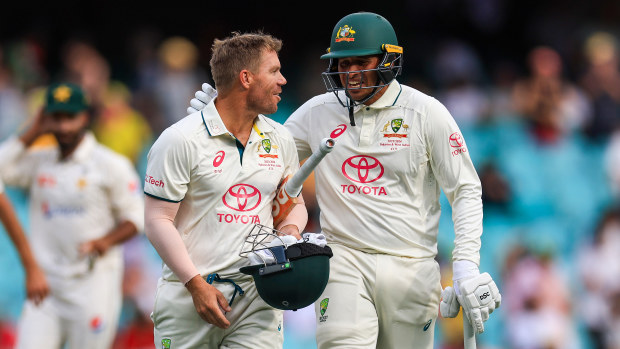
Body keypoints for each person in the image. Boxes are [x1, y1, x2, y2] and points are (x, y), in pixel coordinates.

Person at [189, 12, 501, 348]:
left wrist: (466, 264)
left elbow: (465, 190)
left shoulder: (426, 113)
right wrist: (223, 123)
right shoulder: (318, 111)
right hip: (343, 262)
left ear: (387, 60)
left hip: (412, 267)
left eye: (360, 62)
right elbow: (259, 156)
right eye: (343, 63)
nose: (350, 73)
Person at [143, 31, 308, 348]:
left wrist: (289, 229)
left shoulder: (281, 138)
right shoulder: (180, 139)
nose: (283, 80)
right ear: (246, 78)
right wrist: (195, 285)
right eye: (273, 71)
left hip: (258, 299)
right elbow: (157, 220)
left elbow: (293, 203)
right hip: (189, 298)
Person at [0, 82, 144, 349]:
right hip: (46, 286)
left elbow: (136, 218)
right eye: (57, 118)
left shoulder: (110, 164)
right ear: (46, 118)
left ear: (85, 117)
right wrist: (32, 131)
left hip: (92, 286)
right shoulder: (39, 160)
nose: (64, 127)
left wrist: (105, 241)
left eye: (70, 118)